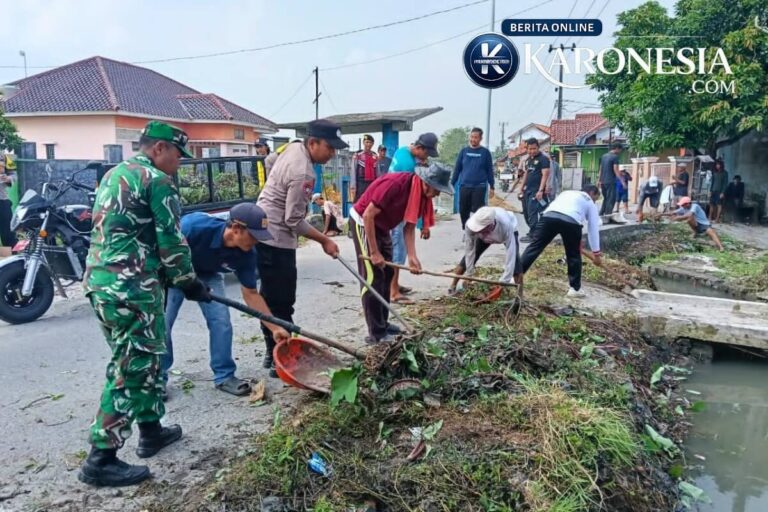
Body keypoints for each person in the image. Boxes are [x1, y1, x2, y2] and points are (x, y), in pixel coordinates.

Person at [78, 121, 209, 487]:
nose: (178, 164)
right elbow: (170, 240)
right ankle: (101, 457)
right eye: (177, 156)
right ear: (159, 149)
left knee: (145, 359)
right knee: (130, 365)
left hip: (101, 283)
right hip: (132, 286)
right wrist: (188, 281)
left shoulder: (115, 174)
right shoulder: (157, 181)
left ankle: (151, 430)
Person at [161, 203, 290, 397]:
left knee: (221, 322)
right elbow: (164, 250)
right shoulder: (193, 227)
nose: (256, 241)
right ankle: (156, 379)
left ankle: (224, 376)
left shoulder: (247, 254)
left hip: (208, 274)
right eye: (254, 235)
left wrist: (275, 328)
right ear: (236, 228)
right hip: (174, 271)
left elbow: (251, 294)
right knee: (162, 324)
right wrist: (183, 281)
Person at [256, 119, 344, 377]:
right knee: (282, 302)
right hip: (276, 239)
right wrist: (325, 240)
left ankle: (270, 353)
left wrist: (274, 190)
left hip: (263, 230)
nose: (332, 154)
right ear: (313, 143)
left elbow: (270, 161)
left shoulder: (292, 147)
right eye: (330, 148)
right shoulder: (304, 172)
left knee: (271, 296)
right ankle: (279, 360)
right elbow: (292, 220)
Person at [349, 162, 452, 343]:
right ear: (427, 183)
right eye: (437, 189)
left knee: (387, 274)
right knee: (373, 277)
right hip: (363, 223)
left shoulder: (421, 196)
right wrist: (374, 252)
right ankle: (376, 333)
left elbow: (409, 227)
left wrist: (412, 257)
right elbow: (367, 215)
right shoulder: (396, 185)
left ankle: (384, 323)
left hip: (383, 227)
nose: (437, 194)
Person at [520, 185, 603, 298]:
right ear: (592, 193)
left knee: (534, 247)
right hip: (571, 221)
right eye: (595, 198)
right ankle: (574, 289)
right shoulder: (589, 201)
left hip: (548, 217)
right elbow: (593, 228)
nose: (594, 201)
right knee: (573, 254)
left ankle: (513, 277)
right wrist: (596, 254)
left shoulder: (566, 193)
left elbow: (553, 207)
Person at [387, 133, 439, 304]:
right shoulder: (410, 167)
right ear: (419, 148)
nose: (427, 158)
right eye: (427, 154)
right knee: (398, 250)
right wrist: (423, 224)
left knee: (397, 248)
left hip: (394, 206)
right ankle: (393, 292)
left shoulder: (403, 151)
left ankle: (393, 283)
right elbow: (419, 197)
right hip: (394, 210)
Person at [448, 206, 522, 296]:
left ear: (490, 225)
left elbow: (511, 254)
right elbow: (469, 250)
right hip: (484, 236)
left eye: (480, 228)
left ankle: (519, 297)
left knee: (516, 263)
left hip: (504, 232)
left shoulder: (505, 224)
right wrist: (469, 275)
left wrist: (503, 282)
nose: (478, 229)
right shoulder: (471, 225)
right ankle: (452, 286)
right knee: (470, 256)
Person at [450, 127, 495, 229]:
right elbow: (457, 170)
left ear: (480, 138)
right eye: (472, 137)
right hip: (465, 186)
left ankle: (477, 230)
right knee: (463, 210)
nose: (473, 139)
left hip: (479, 187)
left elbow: (489, 171)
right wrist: (451, 184)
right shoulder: (463, 152)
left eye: (476, 137)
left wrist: (492, 186)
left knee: (478, 211)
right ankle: (466, 229)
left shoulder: (485, 153)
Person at [518, 138, 550, 242]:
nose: (532, 151)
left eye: (534, 148)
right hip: (528, 190)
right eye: (530, 149)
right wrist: (521, 187)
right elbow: (526, 174)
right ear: (526, 149)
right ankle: (533, 231)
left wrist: (541, 190)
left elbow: (545, 175)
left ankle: (535, 235)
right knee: (526, 212)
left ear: (538, 147)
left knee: (532, 213)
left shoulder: (543, 159)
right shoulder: (528, 160)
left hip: (536, 191)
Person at [350, 134, 382, 201]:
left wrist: (379, 185)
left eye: (370, 142)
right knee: (360, 202)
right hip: (361, 183)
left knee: (371, 202)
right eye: (367, 142)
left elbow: (378, 172)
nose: (368, 144)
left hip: (372, 183)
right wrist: (353, 186)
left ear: (373, 144)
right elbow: (353, 171)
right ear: (363, 143)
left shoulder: (375, 156)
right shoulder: (357, 155)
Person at [598, 142, 625, 216]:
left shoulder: (603, 156)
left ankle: (601, 213)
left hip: (603, 181)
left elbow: (600, 169)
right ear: (616, 148)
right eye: (620, 150)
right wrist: (622, 181)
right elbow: (616, 170)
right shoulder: (615, 157)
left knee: (606, 198)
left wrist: (599, 180)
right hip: (611, 181)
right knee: (611, 199)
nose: (620, 152)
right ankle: (608, 215)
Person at [0, 158, 16, 247]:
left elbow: (14, 175)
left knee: (7, 231)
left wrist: (8, 178)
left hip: (2, 200)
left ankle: (10, 254)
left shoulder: (8, 157)